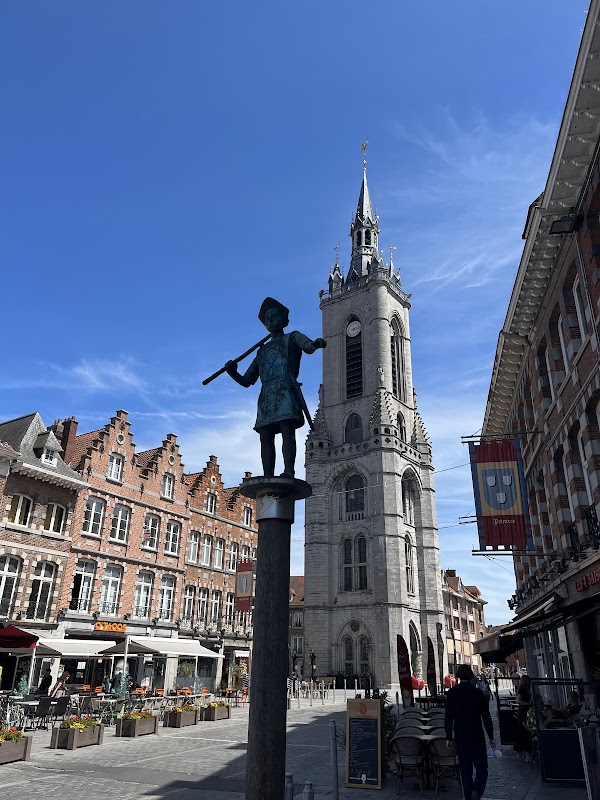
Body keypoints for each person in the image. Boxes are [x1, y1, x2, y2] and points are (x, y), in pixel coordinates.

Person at [225, 297, 326, 477]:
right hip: (267, 394)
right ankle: (268, 475)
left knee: (287, 429)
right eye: (267, 319)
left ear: (284, 320)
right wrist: (232, 372)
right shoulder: (262, 351)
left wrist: (315, 344)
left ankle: (288, 470)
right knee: (265, 435)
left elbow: (307, 346)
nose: (271, 320)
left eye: (275, 316)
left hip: (286, 388)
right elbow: (247, 380)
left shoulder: (293, 337)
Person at [445, 664, 495, 800]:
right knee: (482, 769)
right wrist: (491, 736)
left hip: (461, 736)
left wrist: (448, 736)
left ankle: (469, 796)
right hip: (476, 735)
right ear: (471, 676)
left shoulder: (452, 693)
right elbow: (486, 716)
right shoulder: (477, 693)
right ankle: (477, 791)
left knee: (465, 770)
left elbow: (448, 717)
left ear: (458, 676)